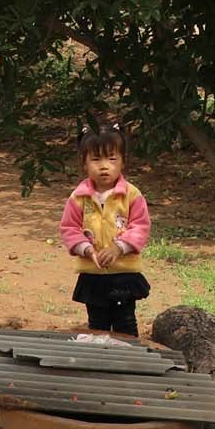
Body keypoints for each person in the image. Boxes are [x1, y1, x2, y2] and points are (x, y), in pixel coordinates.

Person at [58, 125, 151, 337]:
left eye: (111, 159)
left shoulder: (131, 195)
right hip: (93, 275)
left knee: (125, 324)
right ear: (84, 164)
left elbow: (140, 225)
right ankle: (100, 365)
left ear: (123, 162)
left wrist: (119, 248)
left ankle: (128, 364)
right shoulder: (78, 197)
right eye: (96, 159)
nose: (104, 166)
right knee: (97, 324)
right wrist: (87, 250)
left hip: (124, 274)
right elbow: (69, 228)